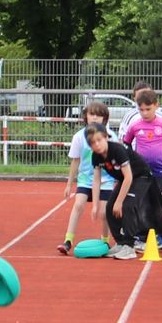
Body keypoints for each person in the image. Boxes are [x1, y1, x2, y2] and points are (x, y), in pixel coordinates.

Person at [118, 87, 162, 253]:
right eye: (141, 110)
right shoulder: (135, 126)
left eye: (148, 109)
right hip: (142, 175)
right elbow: (126, 142)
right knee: (143, 205)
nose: (145, 113)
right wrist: (134, 158)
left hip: (160, 173)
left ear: (156, 106)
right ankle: (143, 238)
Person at [87, 124, 162, 260]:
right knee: (110, 208)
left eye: (99, 140)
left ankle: (129, 246)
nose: (97, 145)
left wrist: (119, 201)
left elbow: (129, 177)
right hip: (125, 179)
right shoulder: (96, 156)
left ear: (106, 137)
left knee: (127, 205)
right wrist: (95, 205)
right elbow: (96, 181)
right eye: (93, 142)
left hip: (141, 176)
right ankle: (121, 242)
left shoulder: (117, 150)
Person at [58, 101, 116, 254]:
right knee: (78, 205)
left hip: (106, 180)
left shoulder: (111, 136)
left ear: (105, 118)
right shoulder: (79, 137)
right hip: (85, 179)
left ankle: (105, 241)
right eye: (92, 114)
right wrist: (69, 184)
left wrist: (118, 180)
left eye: (99, 115)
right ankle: (68, 241)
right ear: (86, 117)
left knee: (104, 212)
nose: (95, 118)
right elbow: (75, 161)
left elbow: (117, 159)